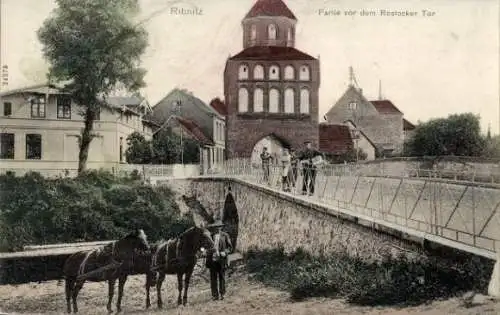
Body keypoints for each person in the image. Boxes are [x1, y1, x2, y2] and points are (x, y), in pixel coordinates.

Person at [205, 220, 233, 301]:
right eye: (215, 227)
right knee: (213, 278)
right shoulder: (210, 236)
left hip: (221, 259)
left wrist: (225, 252)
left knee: (222, 277)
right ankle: (214, 295)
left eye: (218, 227)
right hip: (212, 260)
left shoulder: (225, 235)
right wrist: (205, 251)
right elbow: (206, 247)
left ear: (221, 227)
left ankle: (222, 294)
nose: (217, 229)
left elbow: (230, 247)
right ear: (213, 228)